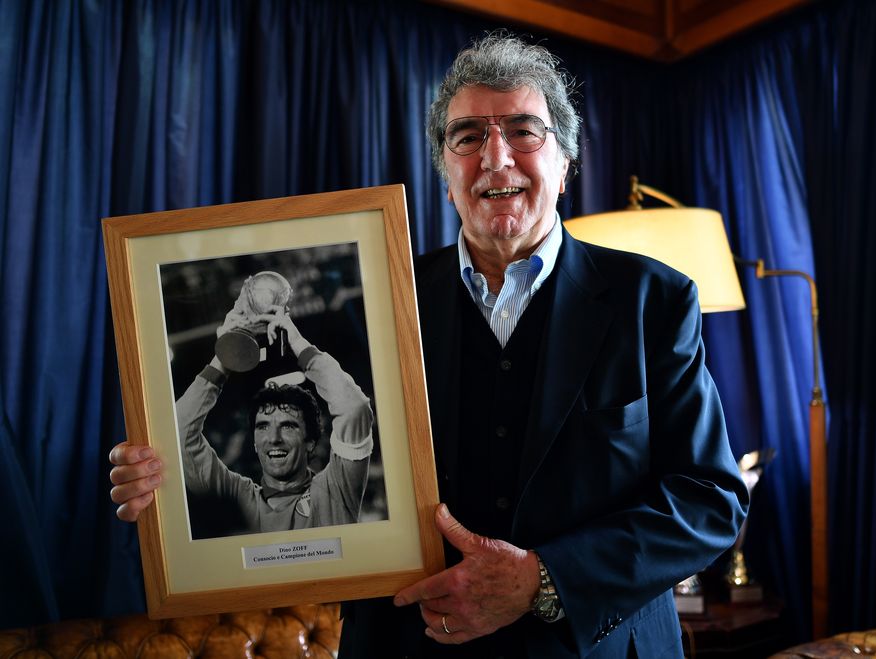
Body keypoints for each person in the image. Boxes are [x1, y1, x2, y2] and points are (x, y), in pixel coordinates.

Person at [110, 33, 748, 658]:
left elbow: (710, 500)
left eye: (523, 132)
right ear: (447, 177)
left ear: (564, 167)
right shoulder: (374, 300)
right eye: (467, 137)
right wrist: (166, 487)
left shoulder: (655, 300)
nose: (495, 157)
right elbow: (318, 462)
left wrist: (543, 579)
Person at [121, 281, 375, 535]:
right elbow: (177, 432)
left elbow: (354, 407)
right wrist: (224, 356)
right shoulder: (235, 497)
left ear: (310, 442)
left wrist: (297, 341)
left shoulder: (335, 490)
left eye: (288, 426)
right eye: (263, 427)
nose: (273, 438)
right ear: (253, 442)